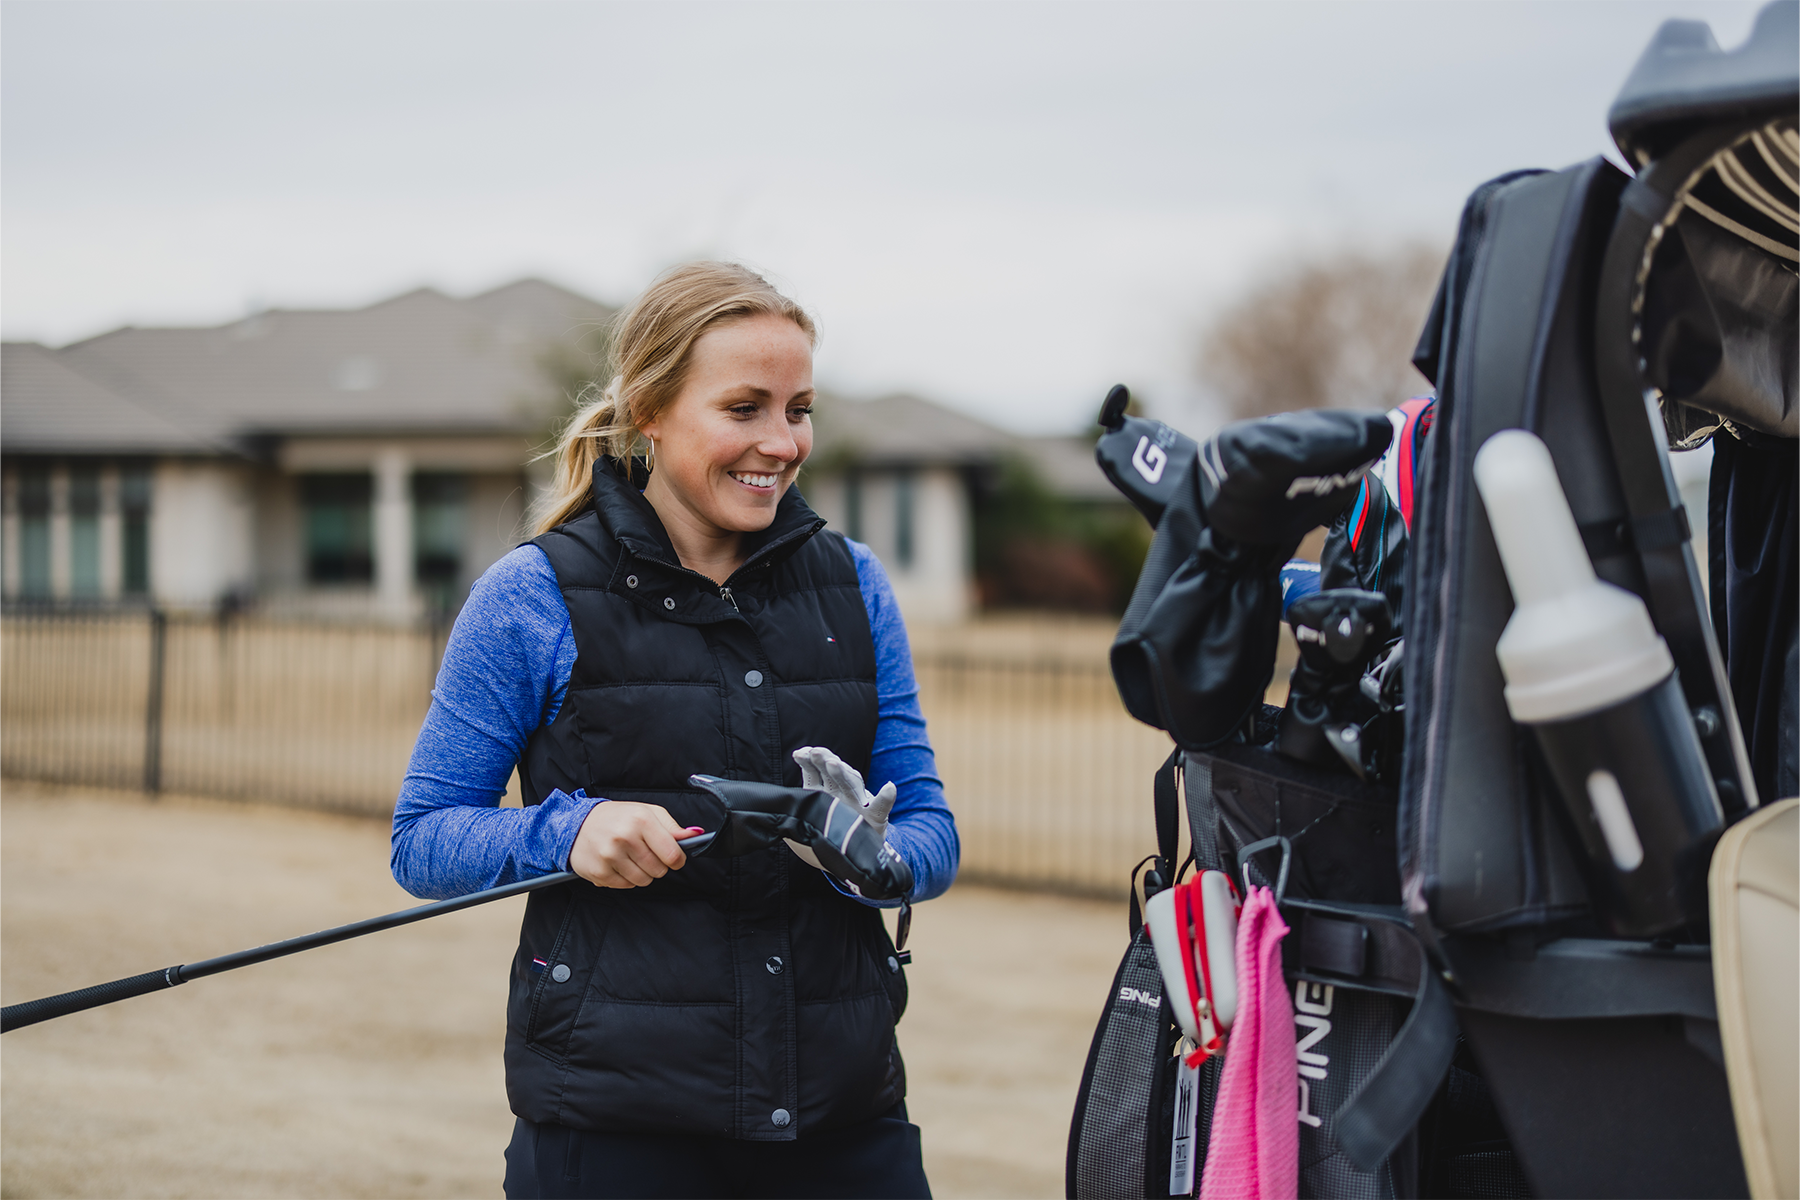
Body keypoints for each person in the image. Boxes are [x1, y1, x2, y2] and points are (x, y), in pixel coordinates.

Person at [391, 262, 958, 1199]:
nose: (781, 443)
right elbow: (424, 839)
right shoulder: (529, 596)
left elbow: (930, 831)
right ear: (651, 410)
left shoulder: (854, 584)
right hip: (615, 1127)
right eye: (745, 408)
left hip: (846, 1114)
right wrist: (568, 833)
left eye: (800, 408)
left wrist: (874, 859)